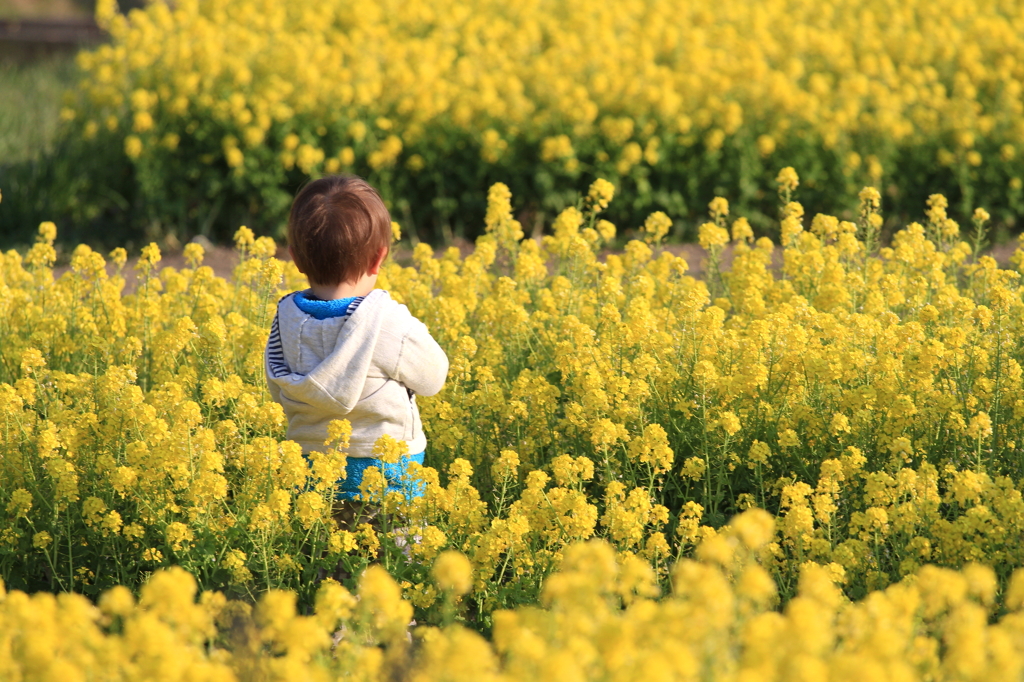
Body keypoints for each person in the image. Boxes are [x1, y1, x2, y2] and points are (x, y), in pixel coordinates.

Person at [264, 174, 449, 527]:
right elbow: (433, 377)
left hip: (313, 476)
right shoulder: (385, 322)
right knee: (397, 572)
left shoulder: (285, 321)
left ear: (296, 259)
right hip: (389, 477)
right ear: (379, 258)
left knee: (329, 571)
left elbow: (279, 391)